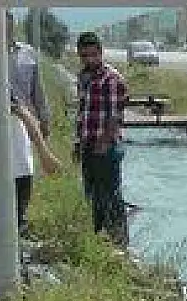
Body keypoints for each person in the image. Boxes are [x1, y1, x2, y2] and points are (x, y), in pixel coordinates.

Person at [73, 31, 129, 246]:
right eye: (84, 56)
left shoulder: (111, 79)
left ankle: (119, 242)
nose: (89, 60)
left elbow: (115, 116)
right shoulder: (83, 78)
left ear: (100, 53)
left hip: (106, 148)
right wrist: (78, 143)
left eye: (92, 55)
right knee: (93, 195)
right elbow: (83, 113)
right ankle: (99, 239)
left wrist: (103, 143)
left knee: (111, 196)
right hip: (88, 144)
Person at [6, 11, 52, 238]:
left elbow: (38, 91)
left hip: (24, 124)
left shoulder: (27, 53)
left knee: (24, 170)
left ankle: (20, 221)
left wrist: (44, 121)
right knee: (4, 177)